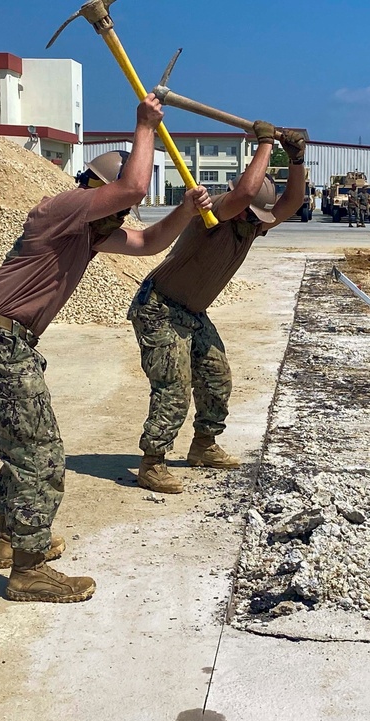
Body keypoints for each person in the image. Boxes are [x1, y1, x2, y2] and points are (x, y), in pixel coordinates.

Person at [0, 94, 213, 602]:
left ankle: (11, 540)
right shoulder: (64, 209)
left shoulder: (87, 234)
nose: (123, 219)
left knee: (19, 448)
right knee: (40, 453)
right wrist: (143, 125)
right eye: (119, 209)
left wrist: (183, 211)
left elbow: (148, 244)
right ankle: (28, 572)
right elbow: (133, 185)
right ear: (98, 192)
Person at [128, 121, 307, 494]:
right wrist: (264, 143)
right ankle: (152, 463)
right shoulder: (214, 216)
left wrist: (296, 160)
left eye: (256, 217)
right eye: (249, 214)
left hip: (192, 314)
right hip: (159, 308)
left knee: (216, 378)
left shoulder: (251, 228)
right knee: (174, 386)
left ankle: (203, 446)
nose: (251, 220)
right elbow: (243, 194)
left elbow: (292, 203)